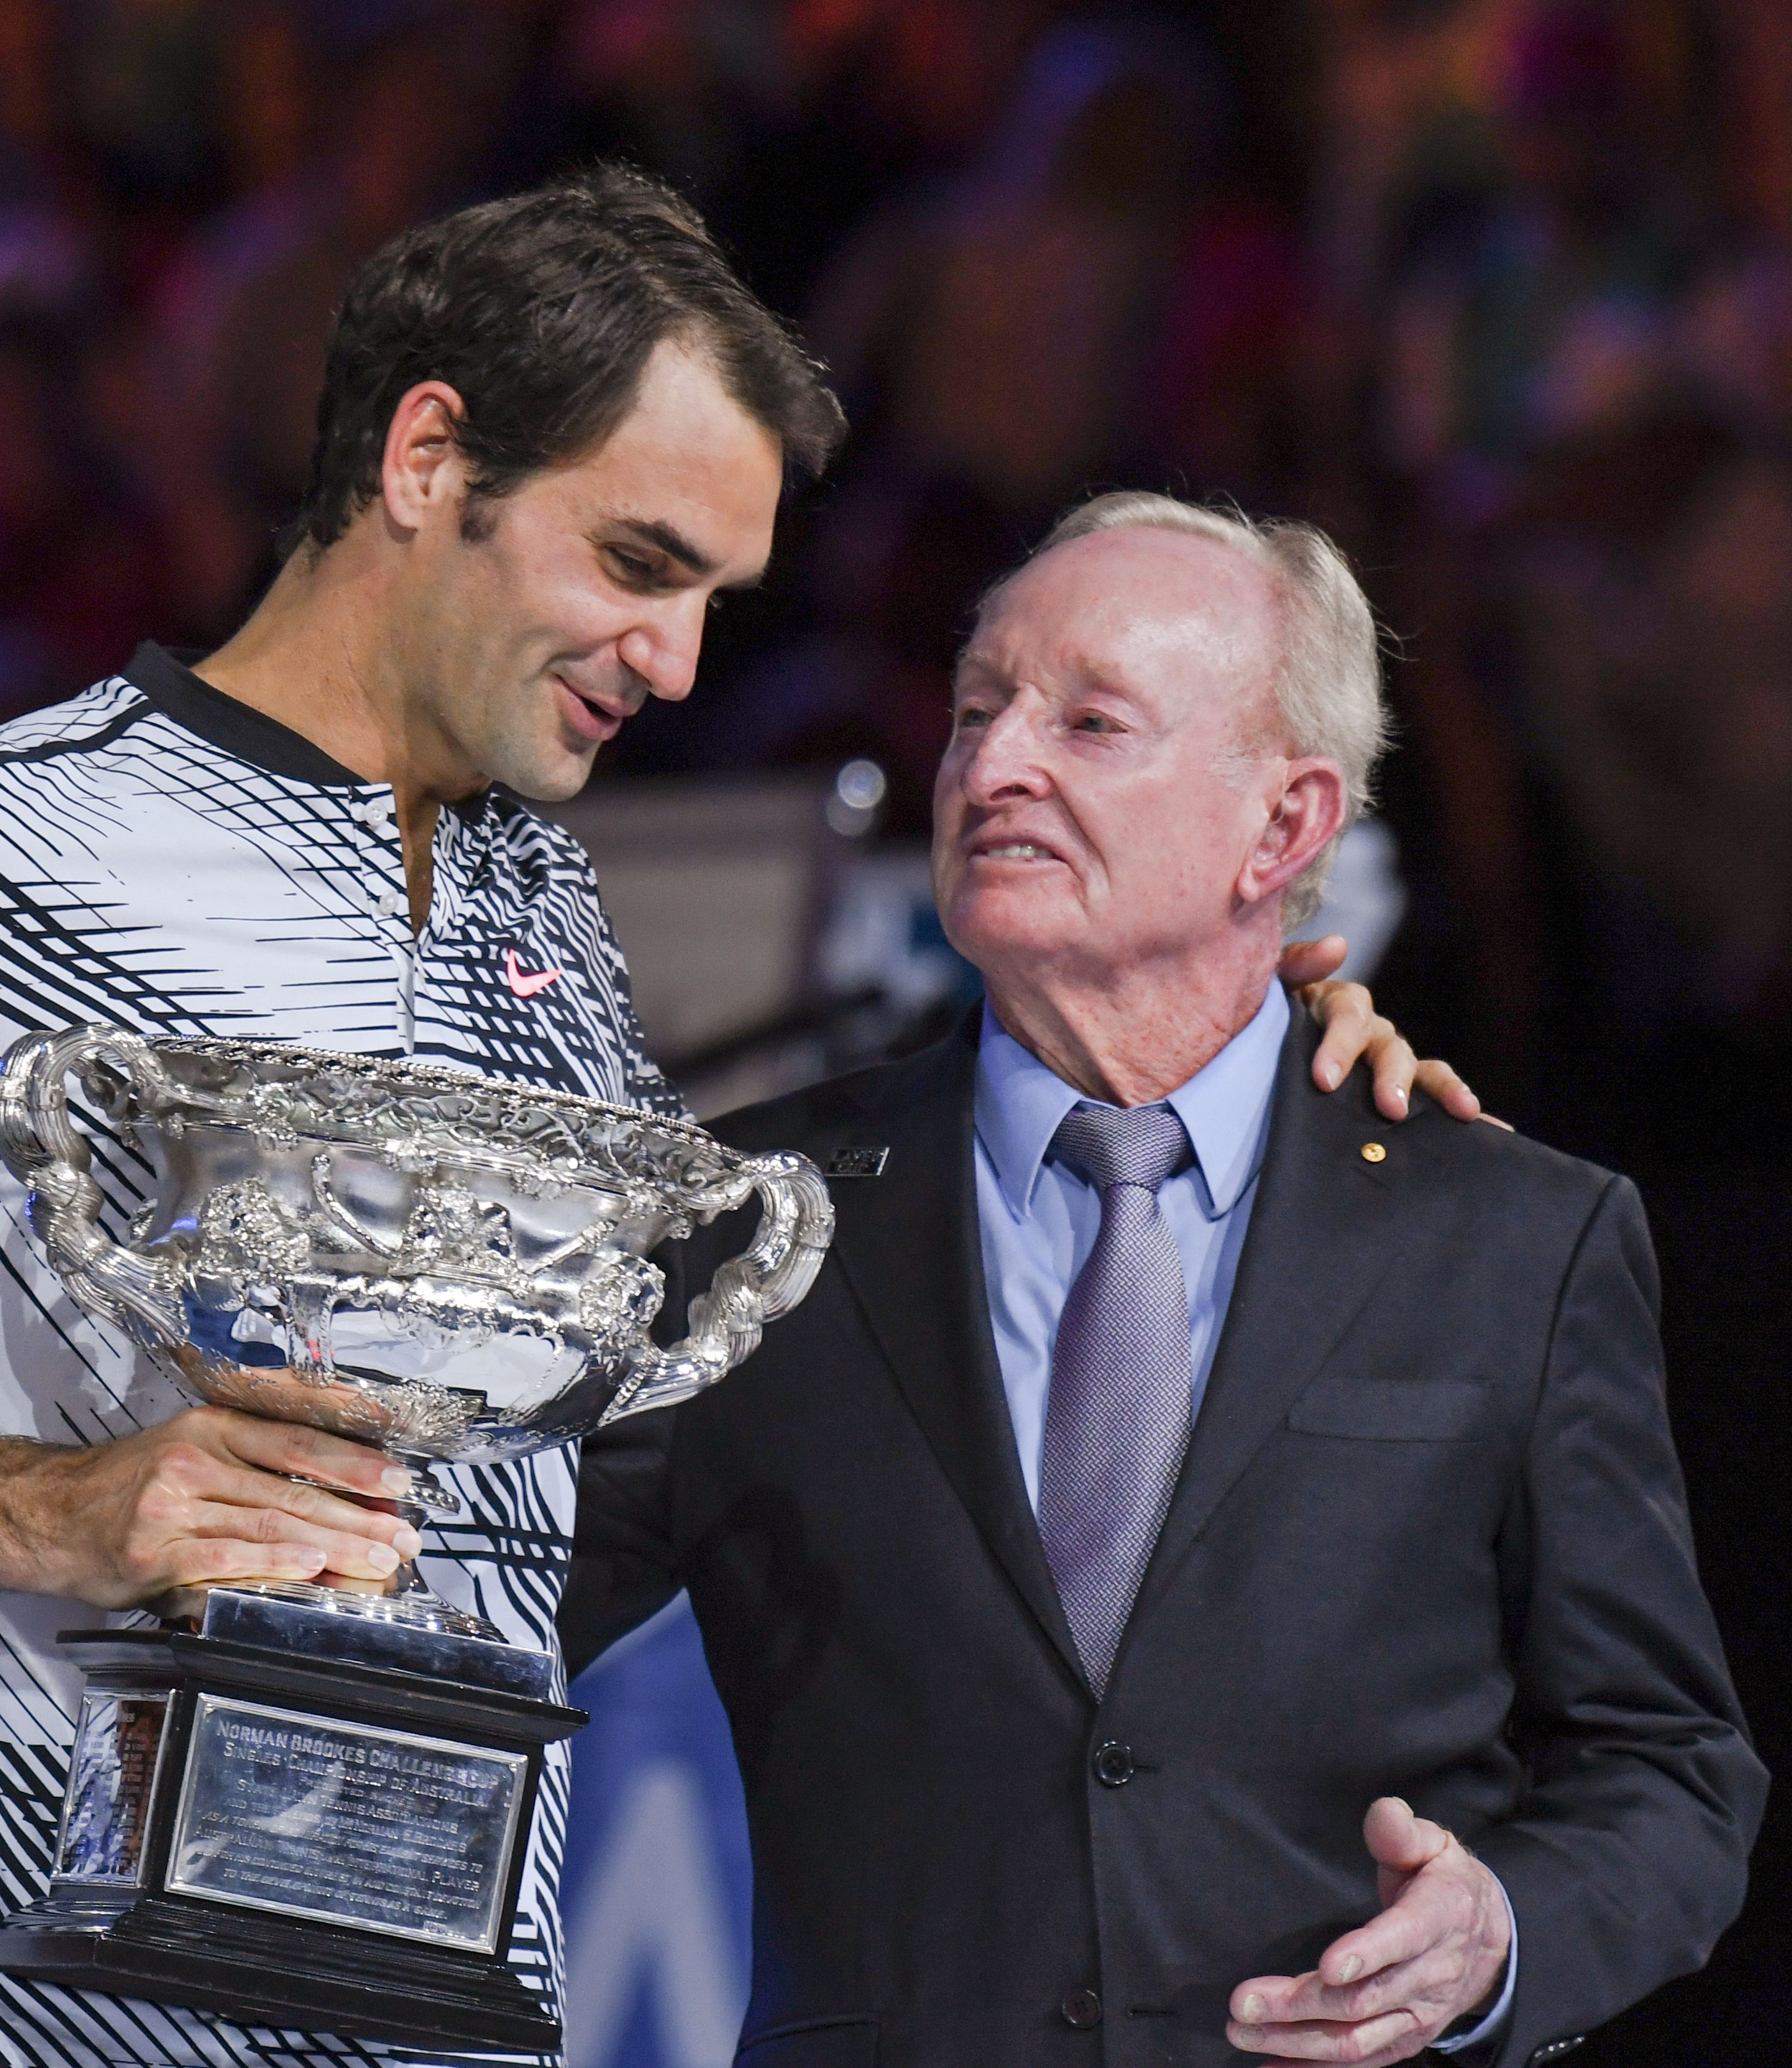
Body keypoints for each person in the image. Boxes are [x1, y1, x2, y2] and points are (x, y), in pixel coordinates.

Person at [0, 171, 1464, 2068]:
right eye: (637, 566)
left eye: (711, 599)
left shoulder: (547, 916)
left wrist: (1204, 1055)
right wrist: (24, 1512)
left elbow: (718, 1401)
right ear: (426, 459)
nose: (676, 662)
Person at [558, 493, 1764, 2067]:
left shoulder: (1514, 1242)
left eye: (1090, 721)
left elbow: (1668, 1773)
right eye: (976, 709)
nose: (993, 764)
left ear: (1285, 825)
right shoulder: (744, 1218)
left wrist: (1497, 1937)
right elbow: (488, 1599)